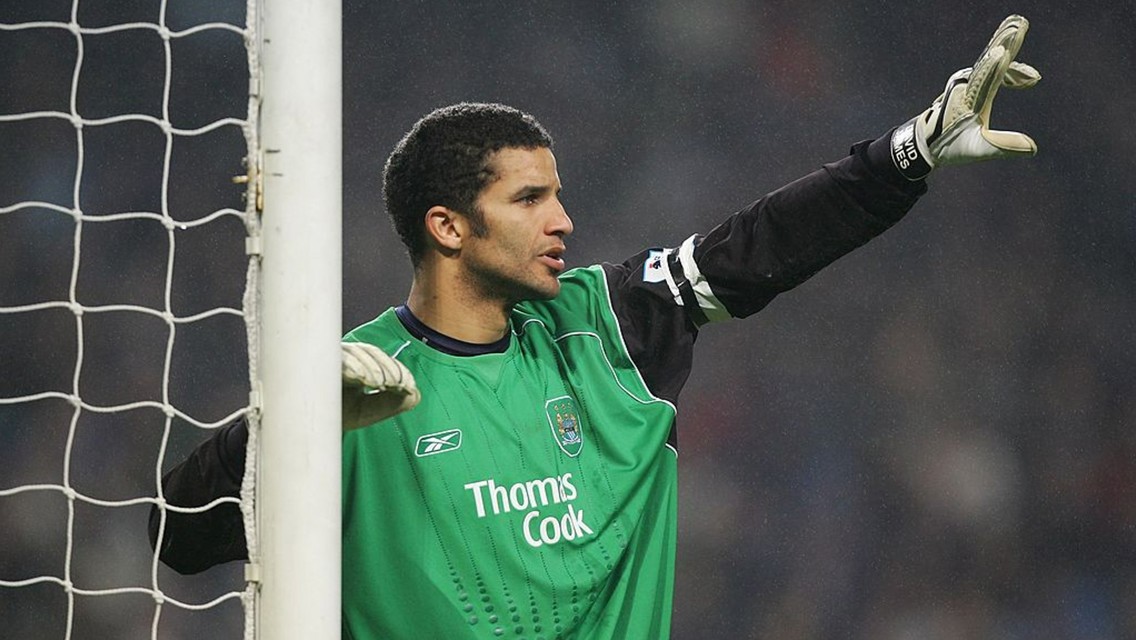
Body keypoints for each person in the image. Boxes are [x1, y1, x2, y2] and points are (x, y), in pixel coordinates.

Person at [149, 15, 1041, 639]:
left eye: (561, 194)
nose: (564, 220)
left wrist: (907, 154)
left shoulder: (606, 327)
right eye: (530, 199)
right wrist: (287, 419)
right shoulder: (360, 385)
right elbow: (177, 540)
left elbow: (757, 246)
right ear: (448, 226)